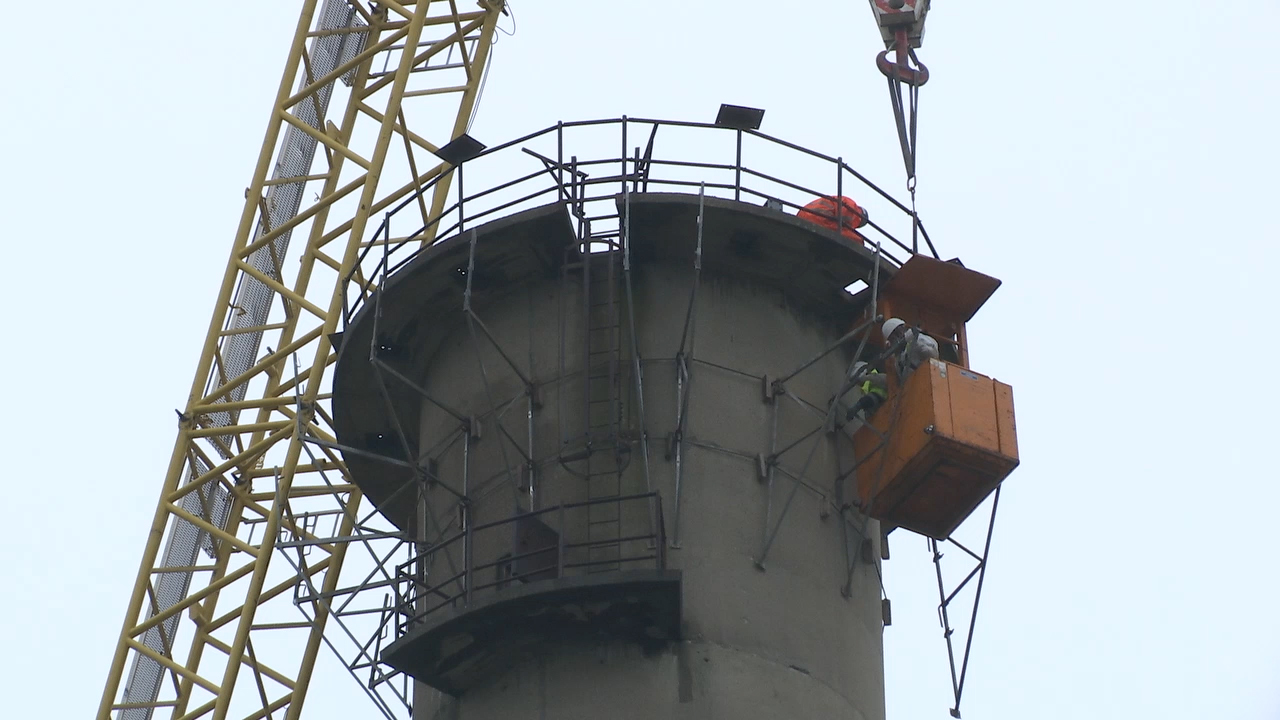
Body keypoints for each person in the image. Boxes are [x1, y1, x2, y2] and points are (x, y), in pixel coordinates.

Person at [797, 195, 869, 244]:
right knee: (857, 240)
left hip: (802, 216)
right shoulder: (853, 209)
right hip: (820, 219)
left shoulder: (841, 200)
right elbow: (841, 226)